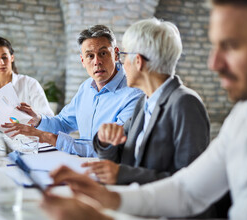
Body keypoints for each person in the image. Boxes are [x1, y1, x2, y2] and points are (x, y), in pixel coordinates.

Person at [40, 0, 247, 220]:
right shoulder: (244, 115)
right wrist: (109, 197)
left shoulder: (186, 104)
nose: (213, 63)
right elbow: (186, 189)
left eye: (230, 45)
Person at [85, 19, 210, 186]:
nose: (121, 63)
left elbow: (191, 183)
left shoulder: (185, 103)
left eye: (124, 55)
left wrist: (124, 175)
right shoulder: (144, 102)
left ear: (138, 61)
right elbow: (118, 160)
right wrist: (106, 141)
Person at [1, 25, 143, 157]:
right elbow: (63, 123)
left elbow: (111, 149)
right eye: (90, 56)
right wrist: (38, 120)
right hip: (81, 163)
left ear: (116, 55)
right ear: (82, 61)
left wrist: (46, 137)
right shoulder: (86, 87)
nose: (97, 61)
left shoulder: (134, 94)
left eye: (103, 53)